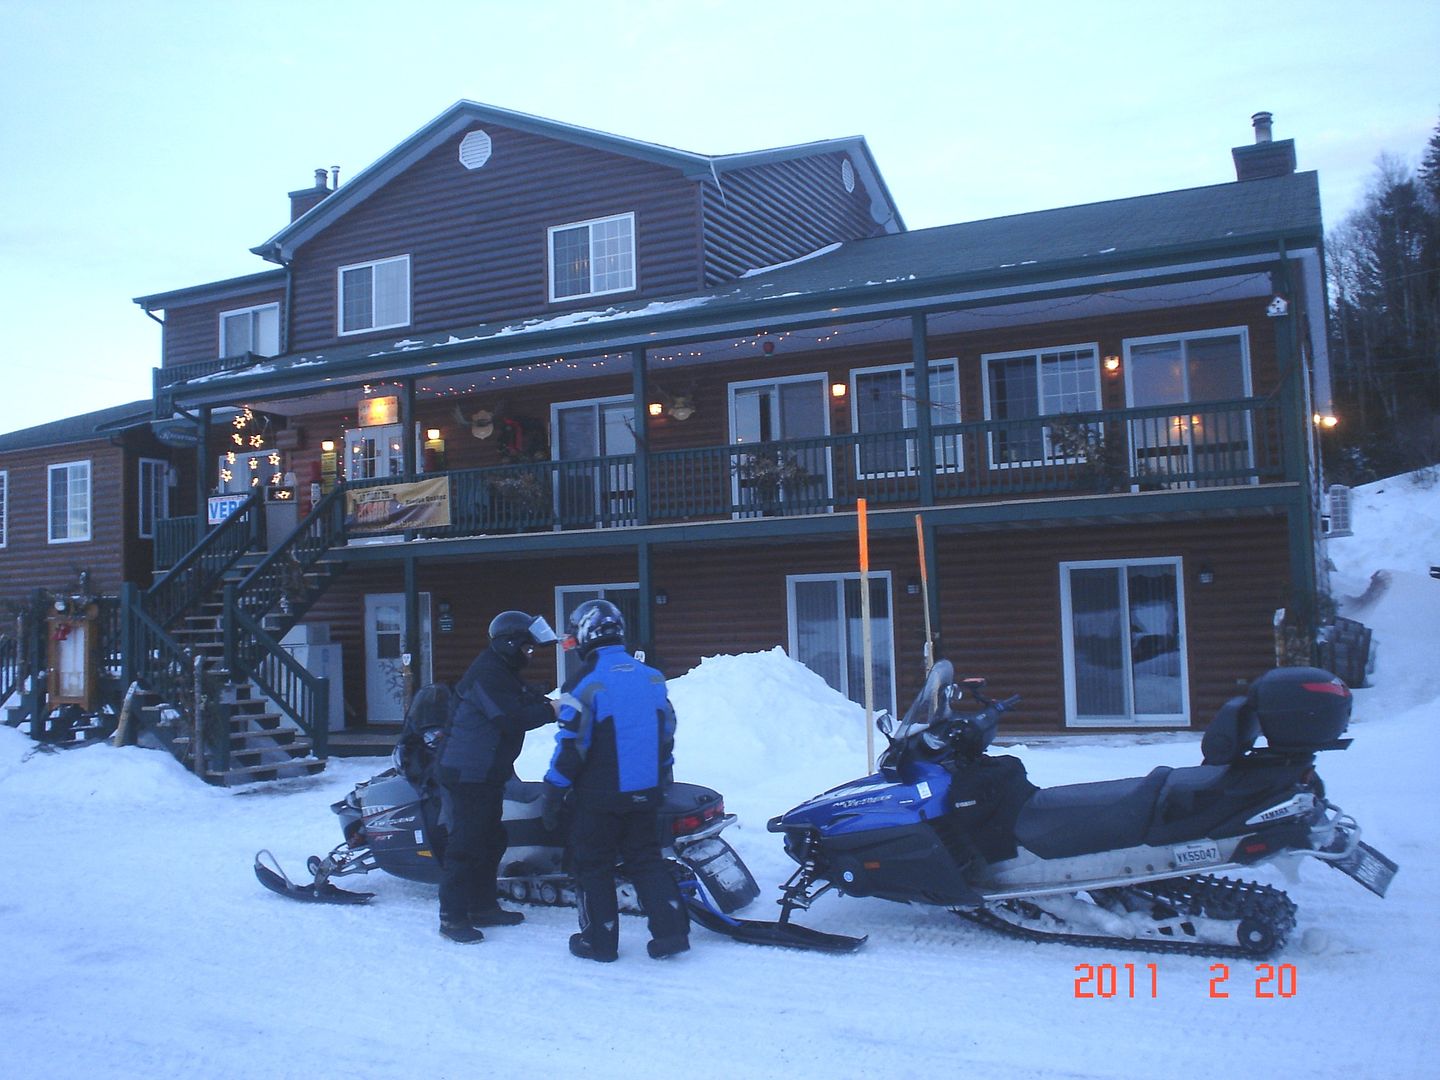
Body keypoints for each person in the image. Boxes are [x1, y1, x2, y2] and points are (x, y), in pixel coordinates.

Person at [541, 600, 690, 962]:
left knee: (593, 865)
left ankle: (599, 941)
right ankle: (672, 934)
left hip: (599, 796)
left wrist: (554, 788)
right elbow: (667, 731)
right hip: (647, 790)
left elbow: (573, 744)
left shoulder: (584, 684)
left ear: (585, 636)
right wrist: (662, 772)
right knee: (646, 859)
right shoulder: (651, 677)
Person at [436, 609, 559, 944]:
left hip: (487, 773)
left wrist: (548, 701)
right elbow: (509, 717)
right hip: (467, 773)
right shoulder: (487, 673)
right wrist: (551, 712)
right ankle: (453, 918)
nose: (529, 655)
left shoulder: (503, 670)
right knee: (467, 844)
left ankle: (482, 906)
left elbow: (523, 696)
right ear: (510, 644)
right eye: (527, 648)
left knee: (491, 841)